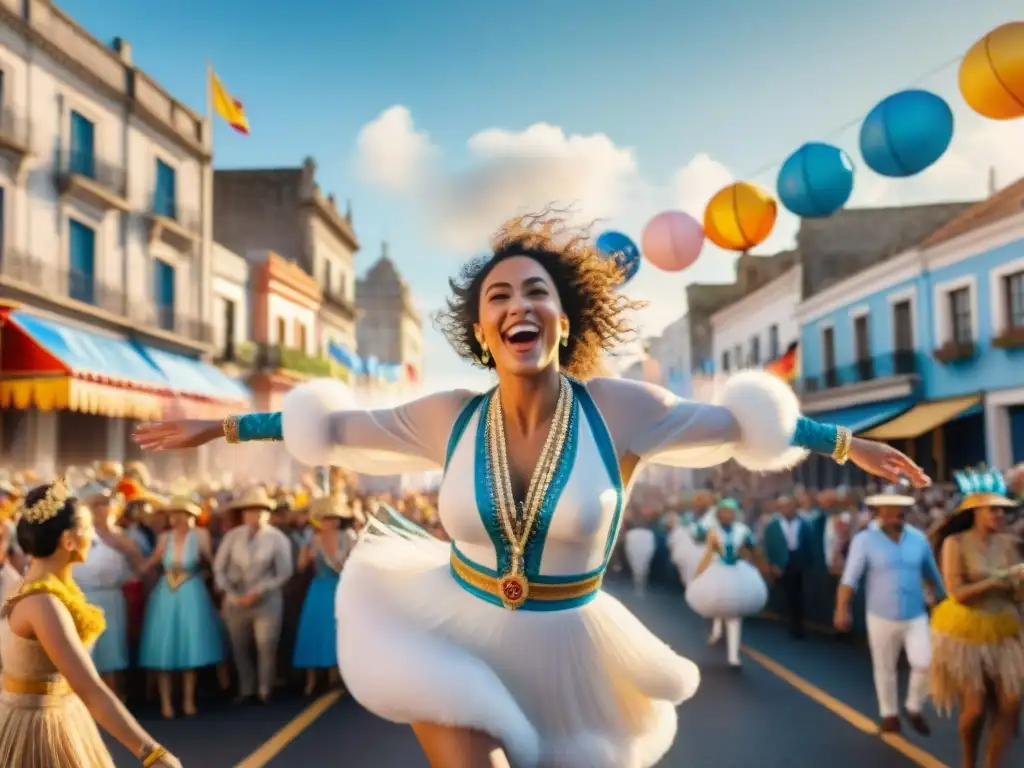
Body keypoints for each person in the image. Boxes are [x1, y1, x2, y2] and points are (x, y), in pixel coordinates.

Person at [135, 212, 928, 768]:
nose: (520, 305)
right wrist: (227, 429)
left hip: (572, 650)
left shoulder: (621, 409)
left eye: (536, 292)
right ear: (483, 331)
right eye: (500, 297)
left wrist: (848, 444)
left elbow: (736, 424)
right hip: (451, 630)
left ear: (561, 318)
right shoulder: (447, 415)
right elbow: (339, 429)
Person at [0, 480, 180, 767]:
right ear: (67, 541)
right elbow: (89, 687)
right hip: (38, 732)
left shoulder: (41, 588)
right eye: (85, 528)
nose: (91, 535)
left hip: (57, 715)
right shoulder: (43, 602)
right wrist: (152, 754)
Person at [929, 469, 1023, 768]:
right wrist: (999, 580)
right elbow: (956, 592)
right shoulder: (954, 543)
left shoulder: (1009, 543)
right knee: (975, 710)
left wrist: (1018, 583)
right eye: (993, 509)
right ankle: (969, 760)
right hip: (966, 632)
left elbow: (1016, 591)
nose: (1000, 515)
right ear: (975, 511)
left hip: (1005, 627)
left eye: (1003, 510)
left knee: (1011, 703)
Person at [833, 485, 945, 735]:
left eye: (899, 510)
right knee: (885, 667)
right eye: (889, 510)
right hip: (880, 615)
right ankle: (889, 714)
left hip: (916, 614)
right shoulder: (864, 541)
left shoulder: (919, 539)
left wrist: (944, 601)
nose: (895, 514)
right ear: (878, 513)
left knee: (925, 662)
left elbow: (932, 575)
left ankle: (913, 706)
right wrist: (842, 609)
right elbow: (850, 578)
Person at [138, 494, 224, 719]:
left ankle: (188, 701)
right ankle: (166, 703)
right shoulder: (164, 537)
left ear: (190, 516)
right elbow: (154, 560)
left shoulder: (200, 536)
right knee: (163, 650)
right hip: (166, 593)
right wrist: (134, 571)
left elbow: (213, 562)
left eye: (181, 514)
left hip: (191, 591)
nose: (176, 518)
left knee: (190, 647)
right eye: (173, 514)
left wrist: (222, 583)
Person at [213, 487, 293, 705]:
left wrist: (260, 590)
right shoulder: (233, 536)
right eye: (250, 511)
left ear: (268, 513)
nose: (254, 515)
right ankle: (246, 688)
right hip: (236, 599)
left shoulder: (277, 539)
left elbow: (284, 572)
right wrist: (230, 592)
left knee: (266, 644)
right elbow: (219, 567)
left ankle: (264, 689)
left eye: (260, 511)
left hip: (266, 600)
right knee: (239, 646)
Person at [686, 498, 767, 667]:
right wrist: (698, 574)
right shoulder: (713, 531)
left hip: (738, 572)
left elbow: (752, 550)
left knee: (735, 615)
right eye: (724, 512)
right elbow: (709, 553)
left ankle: (733, 656)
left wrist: (758, 568)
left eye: (730, 513)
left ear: (735, 515)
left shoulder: (743, 531)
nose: (727, 515)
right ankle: (717, 631)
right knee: (719, 603)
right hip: (719, 570)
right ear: (719, 514)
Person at [292, 493, 357, 696]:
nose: (332, 521)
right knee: (314, 630)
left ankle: (336, 676)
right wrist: (306, 555)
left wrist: (332, 554)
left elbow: (353, 566)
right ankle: (311, 680)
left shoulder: (348, 537)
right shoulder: (311, 538)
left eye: (334, 517)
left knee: (337, 632)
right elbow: (300, 567)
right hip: (318, 588)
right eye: (327, 517)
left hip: (339, 587)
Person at [763, 493, 815, 638]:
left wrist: (809, 561)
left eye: (789, 506)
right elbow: (769, 546)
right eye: (783, 507)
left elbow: (810, 543)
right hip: (781, 560)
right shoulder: (773, 526)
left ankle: (797, 626)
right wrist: (773, 564)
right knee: (787, 593)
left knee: (798, 594)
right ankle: (789, 622)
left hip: (798, 559)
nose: (786, 509)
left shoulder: (805, 523)